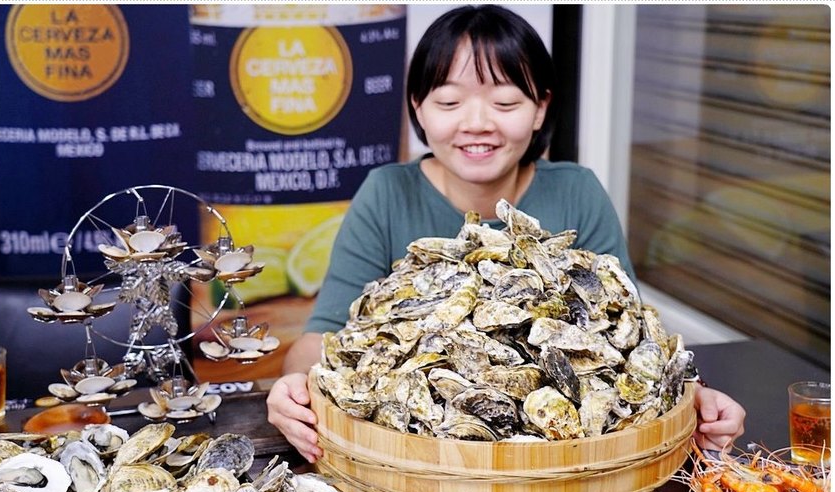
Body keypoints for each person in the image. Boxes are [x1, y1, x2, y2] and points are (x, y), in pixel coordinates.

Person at [267, 5, 745, 463]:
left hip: (561, 461)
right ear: (418, 107)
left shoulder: (577, 191)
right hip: (415, 456)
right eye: (450, 101)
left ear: (540, 110)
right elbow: (322, 337)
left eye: (505, 102)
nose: (477, 123)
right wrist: (294, 386)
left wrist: (698, 401)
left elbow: (634, 340)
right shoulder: (387, 192)